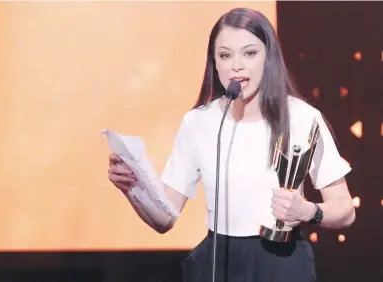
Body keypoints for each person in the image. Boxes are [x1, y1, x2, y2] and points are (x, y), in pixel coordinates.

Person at [107, 7, 355, 282]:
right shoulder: (199, 122)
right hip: (218, 263)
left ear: (268, 57)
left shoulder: (302, 118)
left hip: (282, 264)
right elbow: (165, 219)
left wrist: (309, 211)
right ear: (215, 62)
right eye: (225, 55)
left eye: (250, 53)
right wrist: (132, 187)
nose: (237, 65)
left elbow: (345, 209)